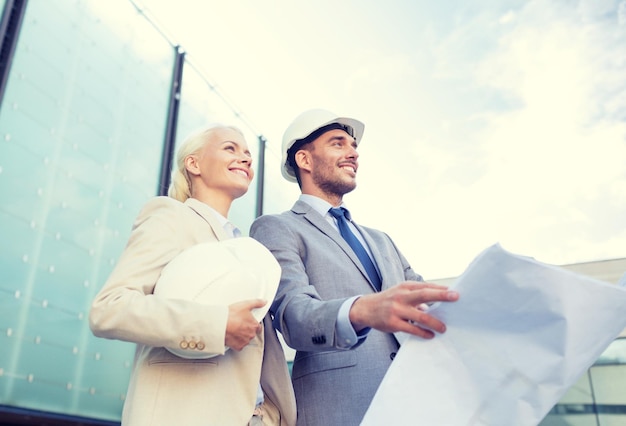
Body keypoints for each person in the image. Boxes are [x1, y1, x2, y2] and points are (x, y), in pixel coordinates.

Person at [250, 109, 460, 426]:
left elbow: (429, 304)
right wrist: (361, 311)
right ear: (305, 160)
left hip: (413, 405)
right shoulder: (278, 229)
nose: (353, 154)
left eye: (353, 146)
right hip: (339, 408)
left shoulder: (382, 241)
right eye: (338, 144)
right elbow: (293, 315)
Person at [89, 124, 296, 426]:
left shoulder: (246, 248)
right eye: (230, 148)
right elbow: (110, 308)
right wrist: (217, 324)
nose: (246, 158)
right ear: (194, 163)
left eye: (248, 154)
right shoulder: (170, 217)